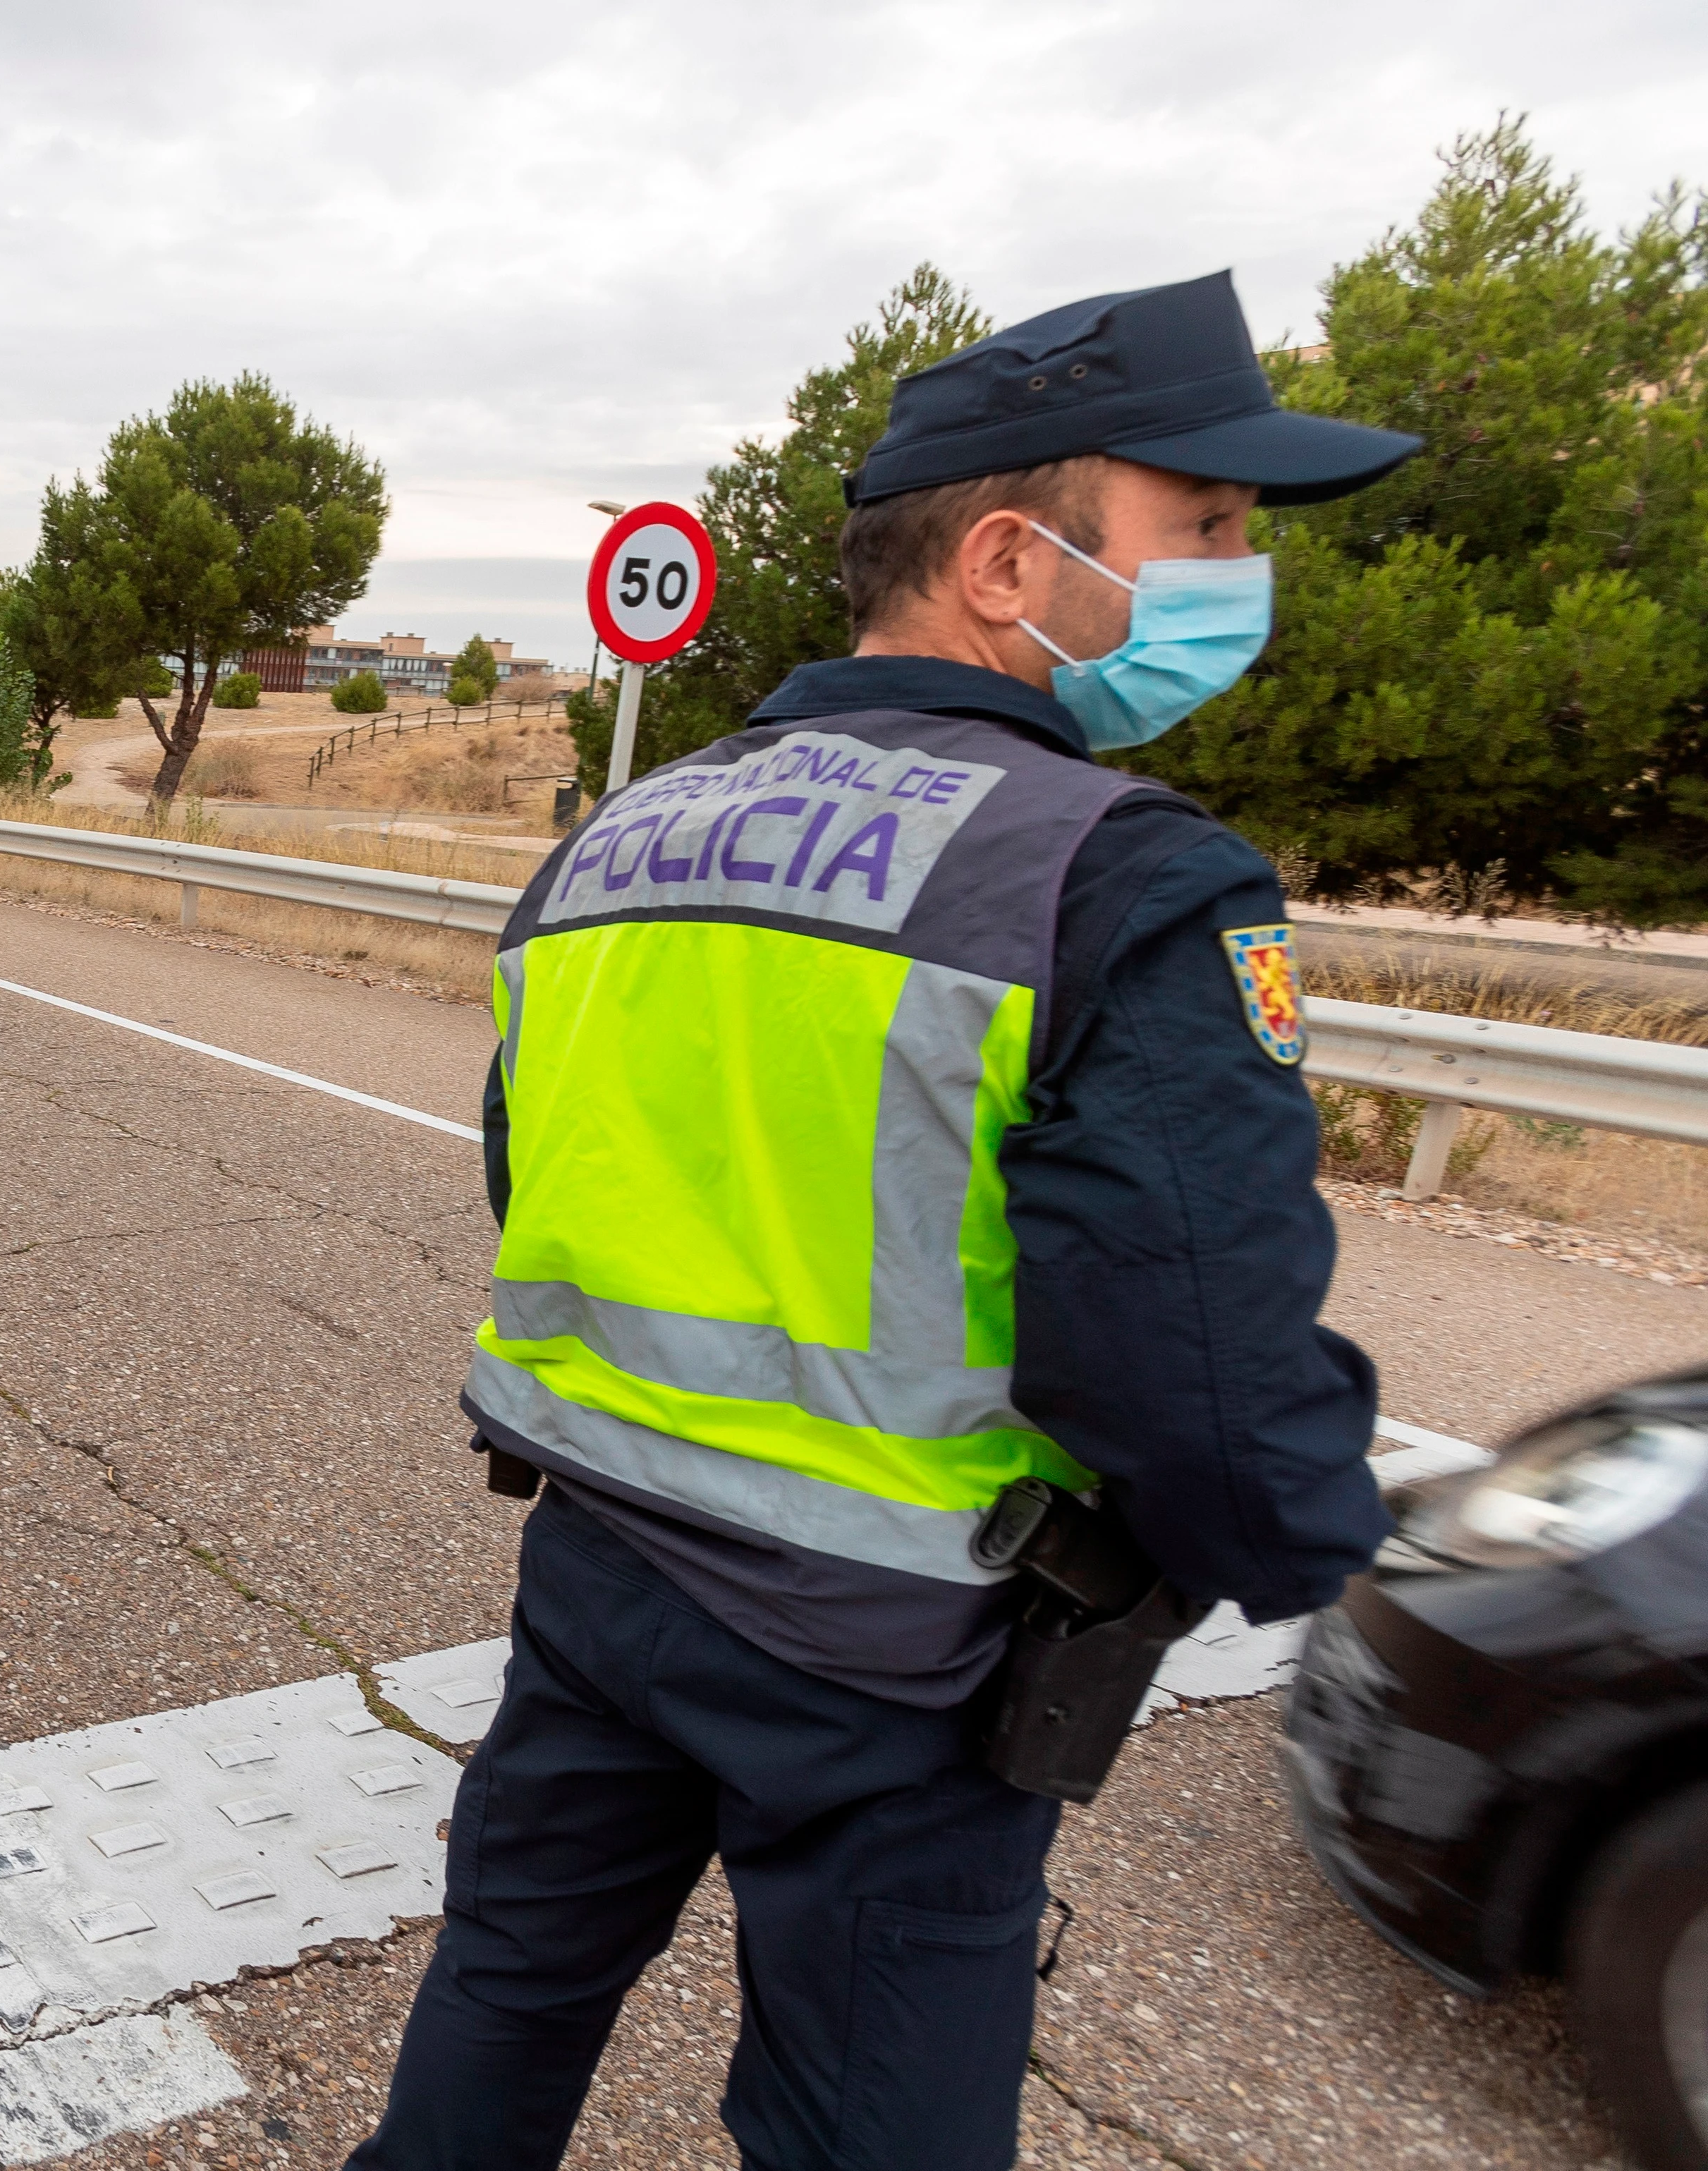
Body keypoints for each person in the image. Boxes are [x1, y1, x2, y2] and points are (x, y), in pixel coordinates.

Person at [352, 271, 1422, 2171]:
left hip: (600, 1573)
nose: (1244, 572)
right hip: (900, 1656)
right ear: (1010, 561)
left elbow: (548, 1181)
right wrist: (1336, 1553)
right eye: (1209, 526)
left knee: (502, 2007)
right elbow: (1185, 1349)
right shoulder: (1117, 876)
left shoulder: (611, 842)